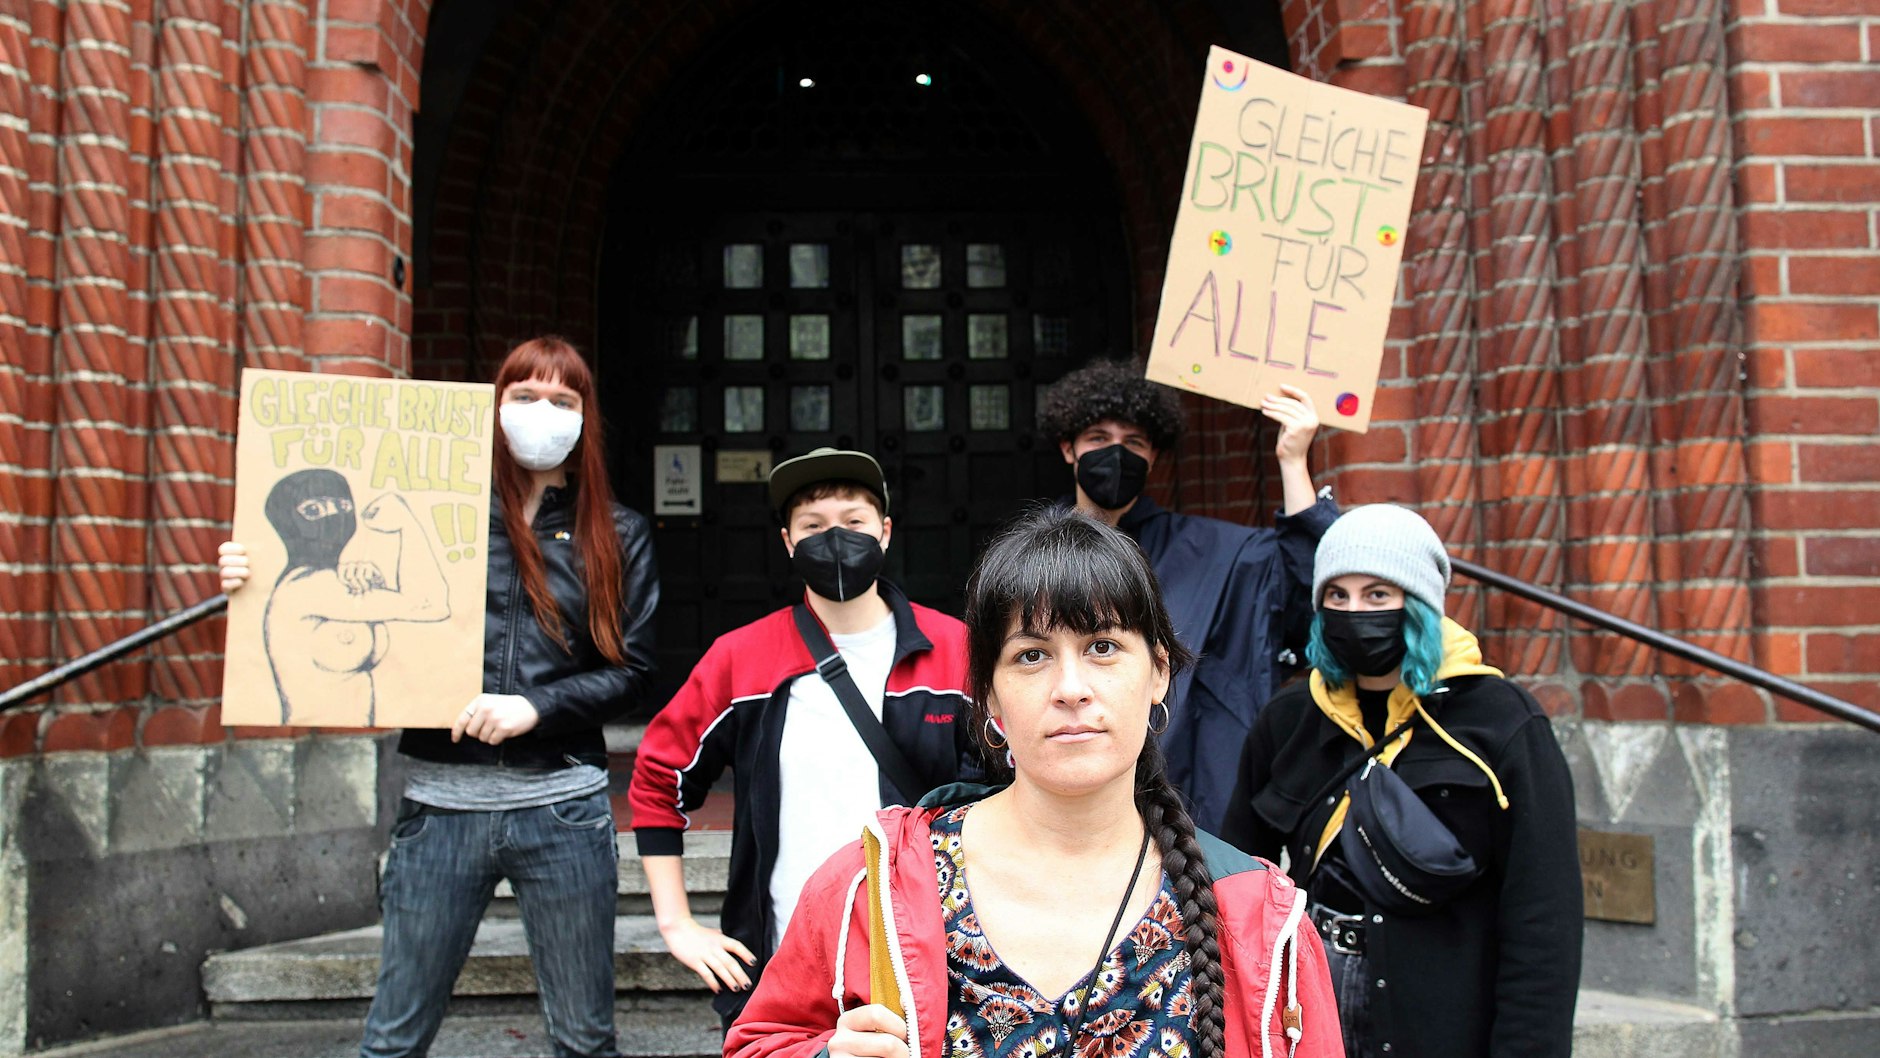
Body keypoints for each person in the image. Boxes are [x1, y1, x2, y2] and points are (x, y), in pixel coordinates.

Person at [724, 507, 1343, 1058]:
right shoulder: (873, 886)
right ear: (990, 695)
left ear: (1157, 673)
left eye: (1103, 647)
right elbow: (758, 1041)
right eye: (1031, 655)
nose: (1071, 688)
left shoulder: (1258, 915)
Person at [218, 336, 660, 1058]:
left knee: (584, 1039)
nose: (541, 413)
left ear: (586, 418)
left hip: (563, 810)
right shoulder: (430, 518)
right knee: (394, 1038)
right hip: (440, 811)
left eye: (562, 400)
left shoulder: (619, 535)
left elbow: (635, 671)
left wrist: (537, 708)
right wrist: (257, 567)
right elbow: (329, 580)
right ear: (494, 407)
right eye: (523, 396)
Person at [627, 448, 976, 1028]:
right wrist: (676, 925)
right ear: (788, 542)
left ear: (884, 532)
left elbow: (1015, 779)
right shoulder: (741, 658)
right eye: (813, 526)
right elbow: (659, 777)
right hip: (786, 967)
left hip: (933, 959)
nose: (834, 538)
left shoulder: (956, 650)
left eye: (853, 521)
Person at [1221, 504, 1582, 1058]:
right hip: (1311, 1015)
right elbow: (1237, 881)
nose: (1353, 611)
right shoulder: (1289, 718)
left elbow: (1542, 919)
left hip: (1444, 1021)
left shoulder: (1502, 722)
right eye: (1336, 596)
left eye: (1376, 595)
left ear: (1418, 605)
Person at [1038, 358, 1339, 833]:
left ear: (1153, 456)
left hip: (1192, 805)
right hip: (1065, 803)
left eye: (1133, 443)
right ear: (1068, 448)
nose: (1116, 454)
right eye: (1098, 439)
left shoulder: (1215, 553)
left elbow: (1311, 583)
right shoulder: (1029, 561)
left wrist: (1293, 459)